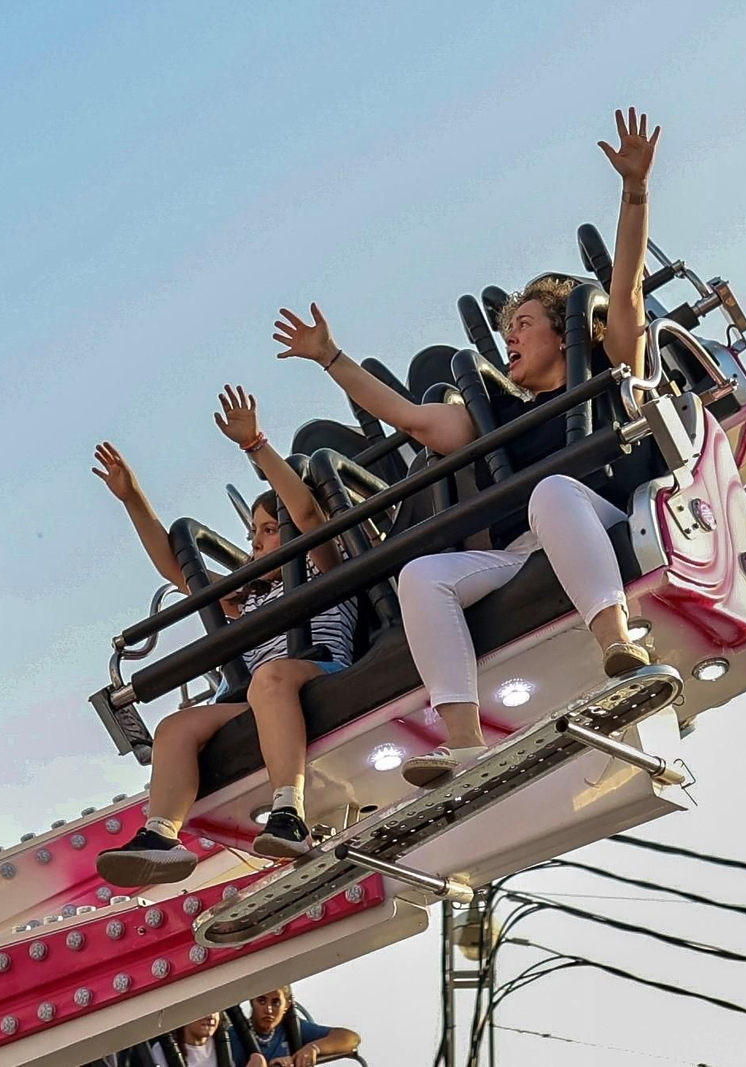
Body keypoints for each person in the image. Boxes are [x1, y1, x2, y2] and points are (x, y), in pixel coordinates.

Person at [272, 107, 662, 787]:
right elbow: (409, 418)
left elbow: (625, 289)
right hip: (523, 549)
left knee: (552, 491)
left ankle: (618, 644)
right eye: (508, 328)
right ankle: (465, 741)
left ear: (564, 334)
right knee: (422, 575)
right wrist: (331, 357)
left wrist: (634, 191)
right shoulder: (496, 413)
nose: (511, 336)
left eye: (525, 324)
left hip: (595, 514)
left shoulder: (605, 369)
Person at [94, 386, 360, 884]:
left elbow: (306, 516)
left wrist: (256, 445)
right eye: (253, 533)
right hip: (260, 694)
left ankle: (289, 812)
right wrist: (132, 498)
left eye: (268, 529)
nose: (256, 542)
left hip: (315, 669)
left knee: (270, 678)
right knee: (176, 726)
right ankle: (162, 835)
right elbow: (177, 570)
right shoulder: (250, 596)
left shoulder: (324, 563)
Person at [229, 987, 360, 1067]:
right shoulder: (232, 1036)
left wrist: (313, 1048)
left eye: (275, 1003)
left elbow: (350, 1039)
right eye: (262, 1001)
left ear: (287, 1005)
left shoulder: (293, 1029)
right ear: (252, 1002)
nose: (268, 1010)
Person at [157, 1012, 269, 1067]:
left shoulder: (229, 1042)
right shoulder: (160, 1051)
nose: (210, 1016)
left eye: (215, 1009)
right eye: (202, 1008)